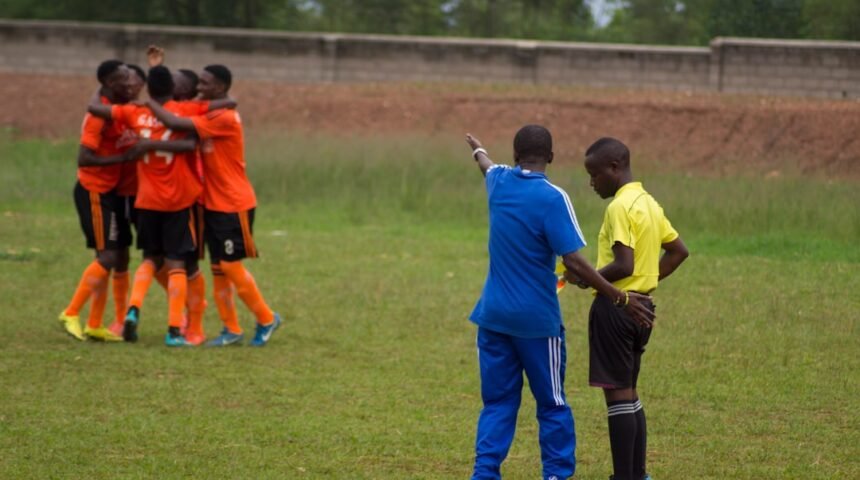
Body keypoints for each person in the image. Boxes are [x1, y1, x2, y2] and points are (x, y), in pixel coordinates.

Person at [464, 127, 655, 480]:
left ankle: (484, 473)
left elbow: (487, 166)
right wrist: (620, 297)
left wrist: (478, 150)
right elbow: (575, 261)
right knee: (551, 403)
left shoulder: (499, 183)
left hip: (492, 317)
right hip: (537, 323)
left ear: (516, 153)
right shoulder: (553, 197)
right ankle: (555, 475)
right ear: (550, 157)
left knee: (497, 403)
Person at [570, 137, 688, 480]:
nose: (591, 183)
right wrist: (644, 285)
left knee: (618, 396)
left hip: (617, 308)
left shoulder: (619, 207)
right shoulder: (649, 203)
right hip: (641, 308)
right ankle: (637, 475)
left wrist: (588, 279)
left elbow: (623, 264)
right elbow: (679, 251)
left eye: (594, 175)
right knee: (630, 393)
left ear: (614, 168)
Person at [146, 64, 281, 347]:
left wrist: (148, 104)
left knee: (231, 266)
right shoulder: (212, 109)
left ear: (219, 87)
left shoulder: (225, 117)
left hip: (234, 203)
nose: (200, 87)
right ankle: (231, 329)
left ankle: (267, 318)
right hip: (214, 203)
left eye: (205, 83)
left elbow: (176, 123)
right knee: (219, 269)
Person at [57, 60, 144, 342]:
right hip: (94, 190)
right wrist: (123, 158)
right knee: (106, 256)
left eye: (131, 79)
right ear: (108, 83)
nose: (130, 84)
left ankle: (96, 323)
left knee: (116, 256)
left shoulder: (117, 109)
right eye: (123, 80)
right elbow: (84, 158)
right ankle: (71, 312)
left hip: (113, 192)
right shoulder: (98, 116)